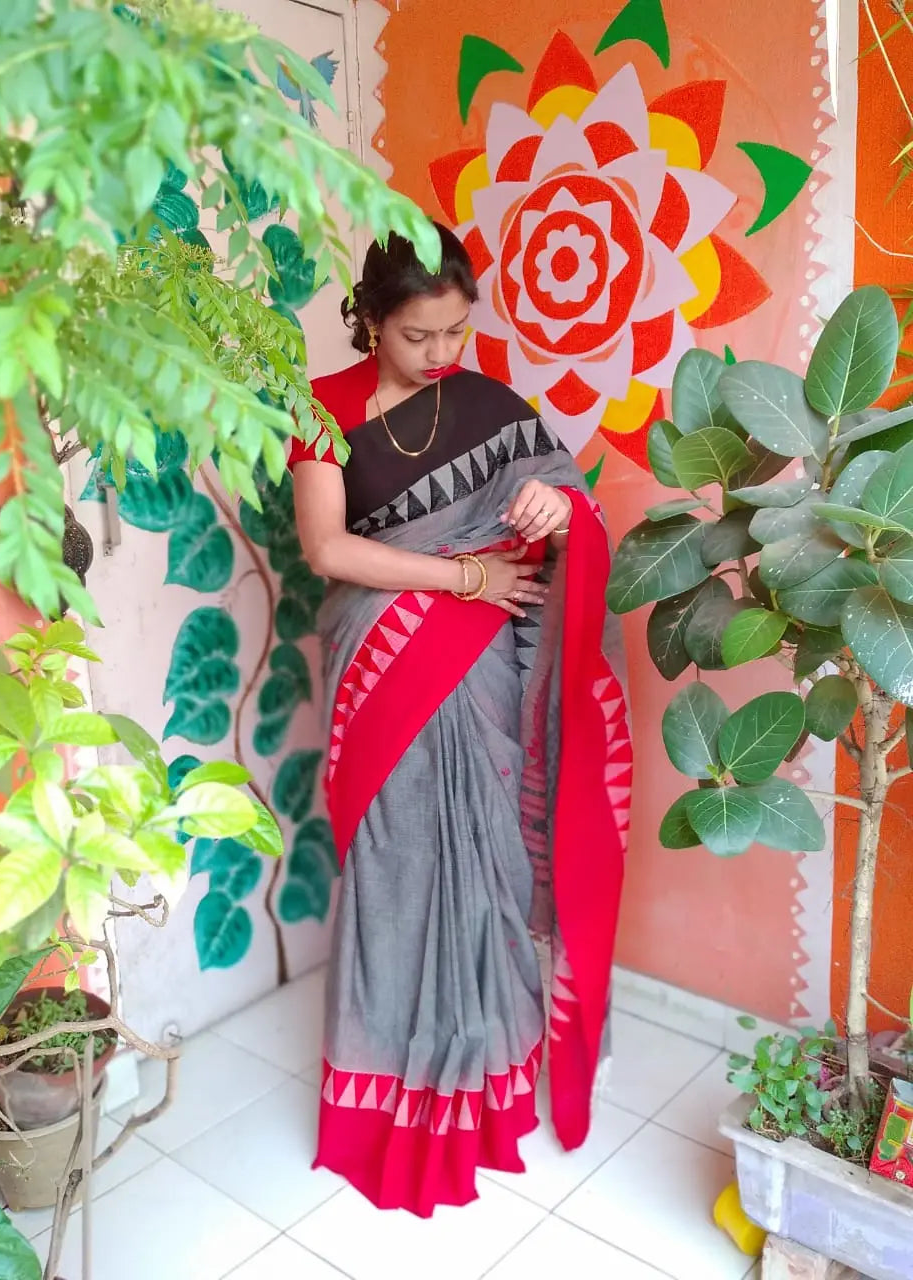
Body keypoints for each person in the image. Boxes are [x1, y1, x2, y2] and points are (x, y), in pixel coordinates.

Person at [290, 221, 631, 1218]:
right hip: (383, 676)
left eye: (455, 333)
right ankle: (384, 1088)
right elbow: (327, 549)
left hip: (480, 674)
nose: (441, 356)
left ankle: (485, 1074)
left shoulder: (489, 405)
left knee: (486, 861)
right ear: (370, 322)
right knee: (396, 868)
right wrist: (463, 574)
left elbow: (574, 514)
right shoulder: (319, 413)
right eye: (417, 337)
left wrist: (553, 508)